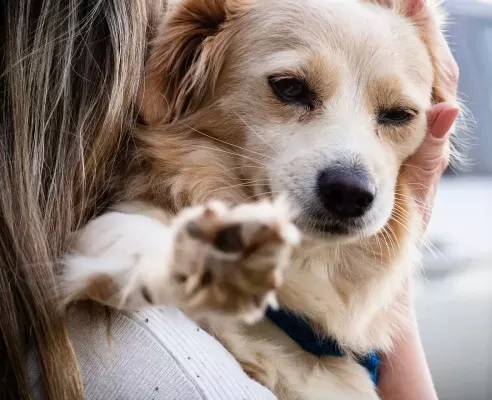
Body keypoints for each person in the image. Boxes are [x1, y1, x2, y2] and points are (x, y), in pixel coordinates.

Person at [1, 0, 459, 399]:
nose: (353, 175)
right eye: (291, 88)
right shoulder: (158, 355)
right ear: (178, 68)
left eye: (397, 115)